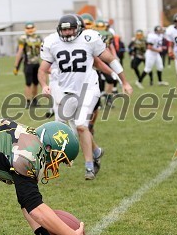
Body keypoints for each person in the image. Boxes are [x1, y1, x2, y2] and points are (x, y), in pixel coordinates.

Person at [38, 14, 132, 181]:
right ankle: (96, 151)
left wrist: (124, 81)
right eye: (64, 29)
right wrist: (44, 85)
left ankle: (89, 165)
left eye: (70, 28)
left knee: (81, 125)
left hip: (89, 88)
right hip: (67, 90)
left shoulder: (90, 38)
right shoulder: (52, 42)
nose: (67, 33)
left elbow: (110, 59)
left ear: (79, 28)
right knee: (72, 128)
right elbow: (42, 69)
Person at [13, 22, 43, 108]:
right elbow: (20, 52)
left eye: (31, 28)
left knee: (36, 83)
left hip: (37, 63)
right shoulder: (23, 38)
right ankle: (28, 101)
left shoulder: (38, 37)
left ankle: (34, 100)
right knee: (28, 83)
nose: (30, 30)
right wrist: (16, 66)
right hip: (28, 64)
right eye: (28, 28)